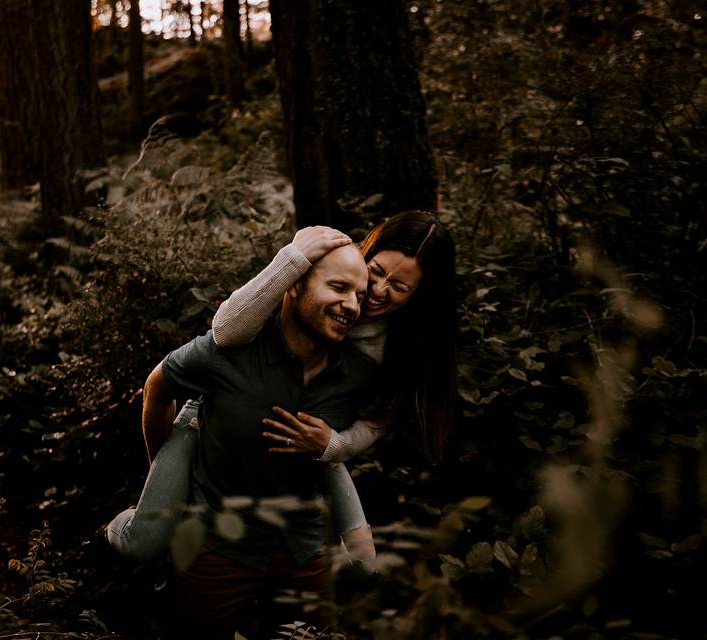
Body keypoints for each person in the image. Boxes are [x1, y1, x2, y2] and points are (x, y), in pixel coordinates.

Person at [108, 211, 457, 562]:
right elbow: (225, 333)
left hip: (313, 436)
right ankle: (113, 526)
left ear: (419, 297)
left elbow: (380, 419)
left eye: (399, 287)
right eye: (377, 272)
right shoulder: (325, 275)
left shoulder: (401, 345)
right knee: (147, 542)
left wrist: (333, 445)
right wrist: (293, 259)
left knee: (365, 567)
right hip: (223, 412)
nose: (378, 291)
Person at [137, 243, 376, 637]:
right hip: (216, 547)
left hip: (305, 549)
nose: (351, 305)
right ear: (294, 285)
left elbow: (385, 417)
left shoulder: (357, 371)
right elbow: (157, 387)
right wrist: (164, 472)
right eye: (338, 287)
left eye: (360, 296)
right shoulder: (228, 353)